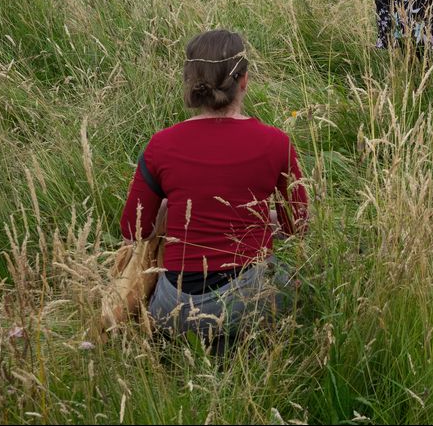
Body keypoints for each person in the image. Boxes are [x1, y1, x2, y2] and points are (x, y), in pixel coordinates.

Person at [120, 29, 309, 346]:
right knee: (298, 281)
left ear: (190, 82)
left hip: (174, 308)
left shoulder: (160, 145)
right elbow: (298, 224)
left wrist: (169, 211)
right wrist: (260, 220)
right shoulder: (276, 142)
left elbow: (132, 229)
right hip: (248, 300)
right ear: (244, 80)